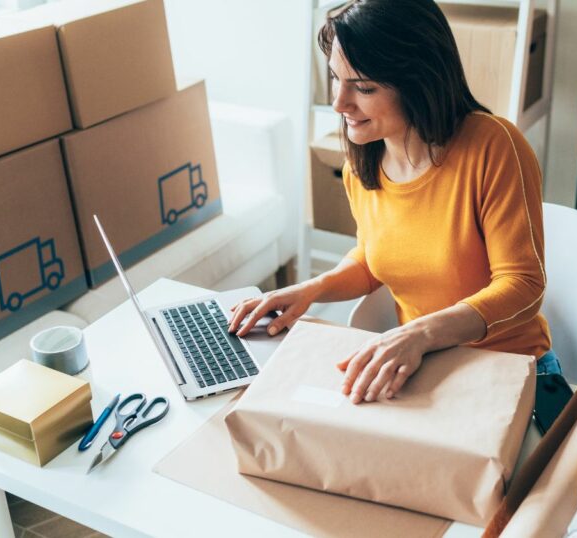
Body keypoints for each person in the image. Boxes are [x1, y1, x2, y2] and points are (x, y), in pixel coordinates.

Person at [229, 0, 555, 404]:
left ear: (419, 82)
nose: (339, 103)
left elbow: (523, 286)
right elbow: (373, 259)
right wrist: (309, 290)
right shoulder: (361, 163)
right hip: (425, 366)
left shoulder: (494, 147)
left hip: (510, 369)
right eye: (336, 79)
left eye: (364, 88)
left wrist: (418, 334)